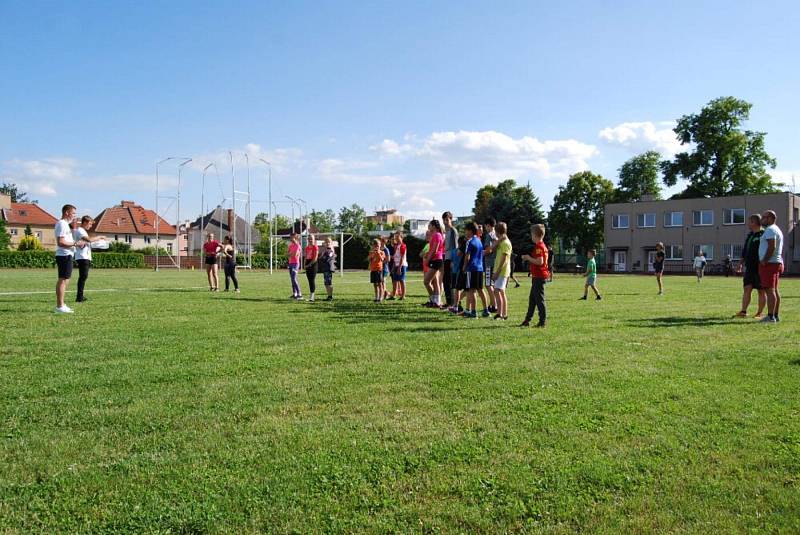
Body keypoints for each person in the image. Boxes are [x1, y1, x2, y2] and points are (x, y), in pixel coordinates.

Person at [734, 214, 765, 318]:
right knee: (747, 288)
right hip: (750, 268)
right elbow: (745, 251)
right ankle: (743, 311)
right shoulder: (750, 235)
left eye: (749, 222)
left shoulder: (763, 234)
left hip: (760, 267)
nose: (747, 224)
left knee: (761, 290)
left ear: (754, 222)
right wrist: (740, 263)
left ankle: (760, 313)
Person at [520, 224, 550, 328]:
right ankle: (527, 320)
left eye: (532, 235)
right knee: (532, 299)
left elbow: (540, 261)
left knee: (539, 299)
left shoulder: (539, 246)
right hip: (537, 276)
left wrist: (528, 258)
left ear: (535, 235)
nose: (531, 237)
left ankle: (542, 321)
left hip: (539, 276)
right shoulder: (542, 246)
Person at [73, 216, 106, 303]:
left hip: (85, 256)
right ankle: (79, 297)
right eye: (90, 224)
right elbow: (89, 240)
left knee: (83, 276)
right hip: (82, 257)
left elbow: (87, 242)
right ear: (85, 223)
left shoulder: (83, 231)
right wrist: (99, 237)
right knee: (83, 277)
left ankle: (80, 296)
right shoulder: (80, 230)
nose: (90, 226)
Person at [758, 210, 784, 323]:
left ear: (770, 218)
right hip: (775, 262)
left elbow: (771, 246)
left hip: (770, 264)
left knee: (770, 290)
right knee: (774, 290)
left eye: (764, 217)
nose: (762, 220)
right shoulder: (776, 229)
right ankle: (775, 315)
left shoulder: (770, 229)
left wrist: (764, 260)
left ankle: (770, 316)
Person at [54, 204, 80, 313]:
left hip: (67, 254)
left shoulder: (65, 224)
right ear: (67, 212)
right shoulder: (62, 224)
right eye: (73, 213)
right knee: (63, 280)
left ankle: (62, 304)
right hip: (64, 255)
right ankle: (60, 306)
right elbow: (61, 242)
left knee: (65, 280)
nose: (74, 216)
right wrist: (75, 243)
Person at [461, 222, 486, 318]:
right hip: (480, 268)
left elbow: (467, 257)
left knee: (471, 290)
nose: (465, 232)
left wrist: (464, 266)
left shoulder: (470, 242)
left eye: (466, 230)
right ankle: (486, 310)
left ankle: (473, 312)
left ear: (470, 231)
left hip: (471, 268)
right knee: (480, 289)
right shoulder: (479, 241)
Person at [491, 222, 512, 320]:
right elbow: (492, 248)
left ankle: (500, 313)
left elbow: (504, 260)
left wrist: (497, 272)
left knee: (497, 291)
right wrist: (499, 239)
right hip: (501, 271)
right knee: (501, 292)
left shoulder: (506, 243)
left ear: (497, 231)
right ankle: (504, 314)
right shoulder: (501, 241)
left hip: (502, 271)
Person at [423, 220, 445, 308]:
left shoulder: (437, 235)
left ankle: (435, 301)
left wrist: (428, 259)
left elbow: (434, 250)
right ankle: (435, 301)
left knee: (426, 281)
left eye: (430, 225)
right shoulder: (437, 235)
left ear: (434, 226)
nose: (428, 226)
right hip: (436, 260)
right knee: (435, 282)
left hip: (436, 260)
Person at [442, 212, 458, 307]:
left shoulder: (453, 231)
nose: (445, 222)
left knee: (449, 281)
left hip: (451, 258)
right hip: (446, 257)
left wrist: (453, 260)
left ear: (451, 219)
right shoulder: (447, 231)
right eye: (444, 220)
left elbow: (455, 247)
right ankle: (449, 302)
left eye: (447, 220)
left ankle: (452, 303)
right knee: (446, 280)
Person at [482, 217, 498, 312]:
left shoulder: (489, 235)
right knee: (494, 285)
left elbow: (488, 250)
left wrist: (481, 252)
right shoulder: (496, 235)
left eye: (486, 226)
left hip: (489, 262)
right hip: (496, 262)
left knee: (488, 284)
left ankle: (494, 305)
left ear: (488, 226)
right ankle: (494, 304)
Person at [390, 232, 408, 300]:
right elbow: (395, 257)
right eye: (395, 237)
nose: (396, 238)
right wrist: (393, 267)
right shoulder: (396, 246)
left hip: (402, 265)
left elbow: (402, 257)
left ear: (401, 238)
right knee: (394, 280)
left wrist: (399, 268)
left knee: (401, 280)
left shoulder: (403, 245)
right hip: (396, 265)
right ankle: (394, 295)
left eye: (398, 237)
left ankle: (403, 296)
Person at [368, 238, 386, 303]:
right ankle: (376, 297)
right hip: (373, 270)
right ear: (373, 246)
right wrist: (372, 255)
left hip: (379, 270)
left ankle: (381, 297)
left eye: (378, 246)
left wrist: (378, 253)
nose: (377, 247)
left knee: (380, 284)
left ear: (380, 246)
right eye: (375, 246)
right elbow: (369, 259)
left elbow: (382, 260)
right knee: (375, 284)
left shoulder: (382, 252)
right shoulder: (371, 252)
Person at [319, 236, 337, 301]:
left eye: (329, 242)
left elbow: (328, 256)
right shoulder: (326, 249)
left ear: (331, 243)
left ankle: (330, 296)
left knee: (328, 282)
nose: (327, 243)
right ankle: (329, 296)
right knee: (326, 283)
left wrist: (326, 251)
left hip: (328, 268)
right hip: (325, 268)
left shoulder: (330, 249)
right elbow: (321, 257)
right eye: (326, 242)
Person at [287, 232, 303, 300]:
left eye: (291, 237)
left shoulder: (298, 246)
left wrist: (291, 254)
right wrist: (290, 254)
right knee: (292, 279)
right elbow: (287, 254)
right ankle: (294, 294)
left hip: (295, 264)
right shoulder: (290, 246)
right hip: (290, 263)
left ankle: (300, 294)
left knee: (294, 278)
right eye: (290, 237)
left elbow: (295, 255)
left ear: (295, 237)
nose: (290, 238)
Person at [304, 234, 319, 302]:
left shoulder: (315, 247)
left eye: (311, 239)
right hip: (308, 263)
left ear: (314, 239)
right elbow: (306, 256)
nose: (310, 240)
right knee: (309, 280)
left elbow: (315, 258)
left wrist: (309, 265)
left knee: (312, 280)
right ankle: (311, 295)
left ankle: (312, 297)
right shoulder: (307, 247)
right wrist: (305, 264)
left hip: (313, 264)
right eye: (309, 239)